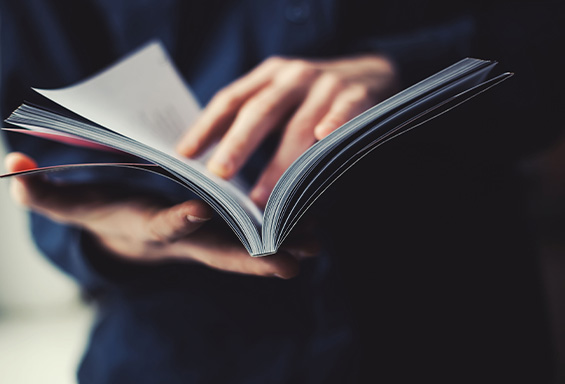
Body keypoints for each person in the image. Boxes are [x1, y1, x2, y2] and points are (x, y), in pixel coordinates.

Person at [1, 1, 563, 383]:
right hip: (179, 349)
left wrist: (408, 68)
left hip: (457, 327)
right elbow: (40, 115)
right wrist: (114, 238)